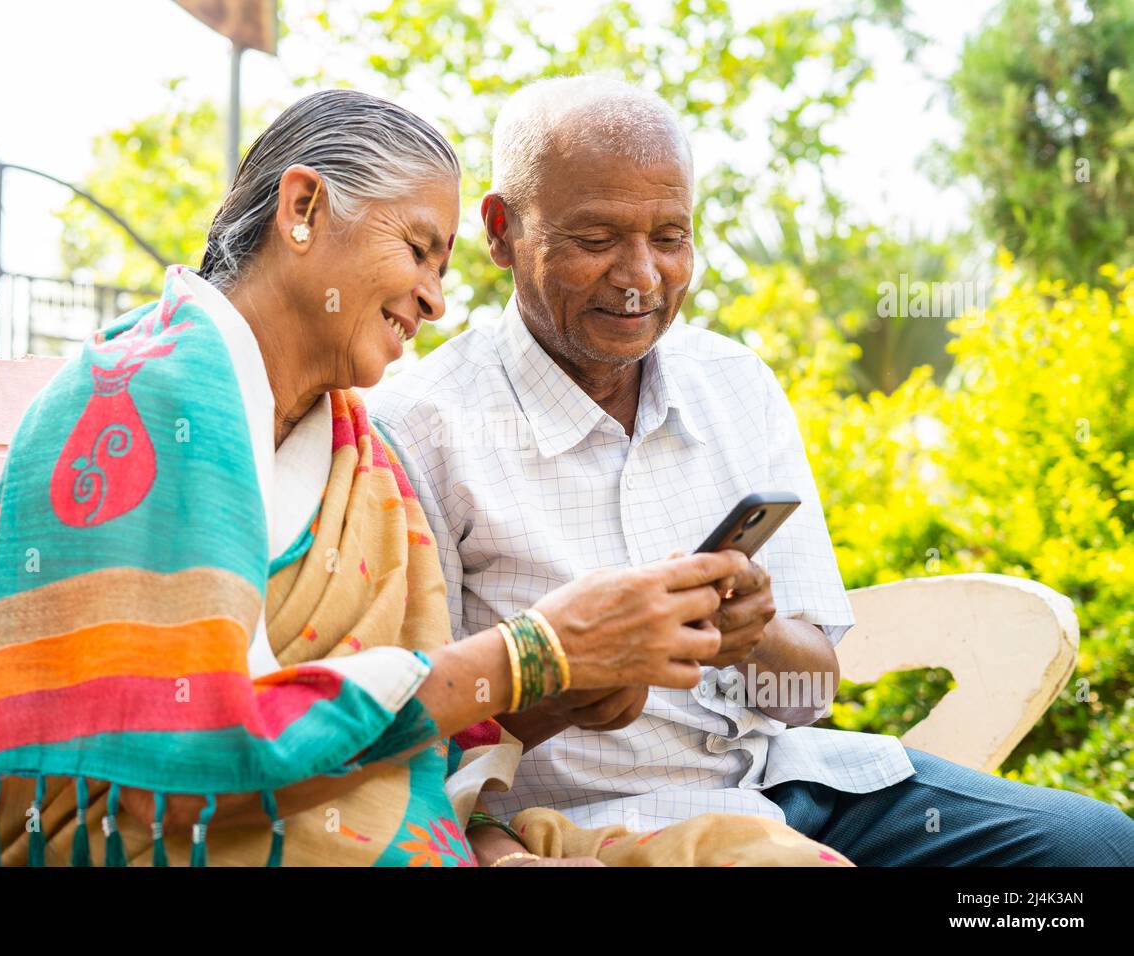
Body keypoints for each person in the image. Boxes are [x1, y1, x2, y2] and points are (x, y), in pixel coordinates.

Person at [0, 89, 847, 868]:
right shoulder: (144, 392)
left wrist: (559, 694)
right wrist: (536, 655)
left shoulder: (352, 444)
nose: (434, 297)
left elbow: (392, 722)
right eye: (419, 251)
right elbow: (177, 746)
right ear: (304, 210)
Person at [368, 75, 1134, 866]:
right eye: (597, 241)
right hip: (578, 829)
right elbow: (418, 743)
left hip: (786, 790)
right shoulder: (420, 429)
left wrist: (754, 635)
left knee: (1096, 853)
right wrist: (576, 670)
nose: (641, 277)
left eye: (670, 238)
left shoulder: (734, 383)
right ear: (501, 231)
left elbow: (808, 698)